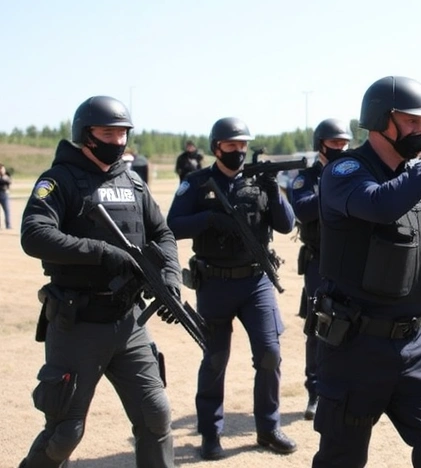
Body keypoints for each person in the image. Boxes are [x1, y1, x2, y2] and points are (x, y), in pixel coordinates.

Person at [312, 75, 421, 467]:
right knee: (342, 458)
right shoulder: (345, 173)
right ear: (381, 121)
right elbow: (380, 205)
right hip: (355, 346)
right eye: (411, 121)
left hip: (415, 345)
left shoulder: (420, 176)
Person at [18, 96, 179, 468]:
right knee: (65, 432)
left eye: (123, 134)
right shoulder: (58, 181)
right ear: (85, 135)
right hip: (78, 322)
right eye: (108, 133)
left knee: (155, 414)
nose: (118, 141)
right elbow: (34, 235)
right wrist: (102, 252)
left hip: (129, 322)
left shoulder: (132, 181)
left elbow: (162, 233)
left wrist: (169, 274)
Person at [166, 117, 298, 460]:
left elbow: (286, 225)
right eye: (231, 145)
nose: (238, 151)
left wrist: (273, 190)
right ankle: (210, 434)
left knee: (269, 354)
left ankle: (268, 428)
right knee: (214, 360)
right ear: (216, 148)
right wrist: (209, 219)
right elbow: (173, 225)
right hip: (214, 283)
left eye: (243, 145)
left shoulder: (259, 182)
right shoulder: (196, 184)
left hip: (256, 283)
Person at [287, 118, 352, 421]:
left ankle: (347, 386)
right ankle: (314, 391)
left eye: (344, 143)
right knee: (319, 326)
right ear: (320, 145)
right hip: (319, 262)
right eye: (334, 143)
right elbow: (303, 209)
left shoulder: (352, 171)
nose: (340, 148)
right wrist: (334, 186)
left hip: (351, 260)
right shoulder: (305, 178)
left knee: (354, 323)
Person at [0, 162, 11, 229]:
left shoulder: (6, 176)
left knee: (7, 210)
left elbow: (9, 182)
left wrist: (3, 176)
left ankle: (8, 225)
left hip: (4, 194)